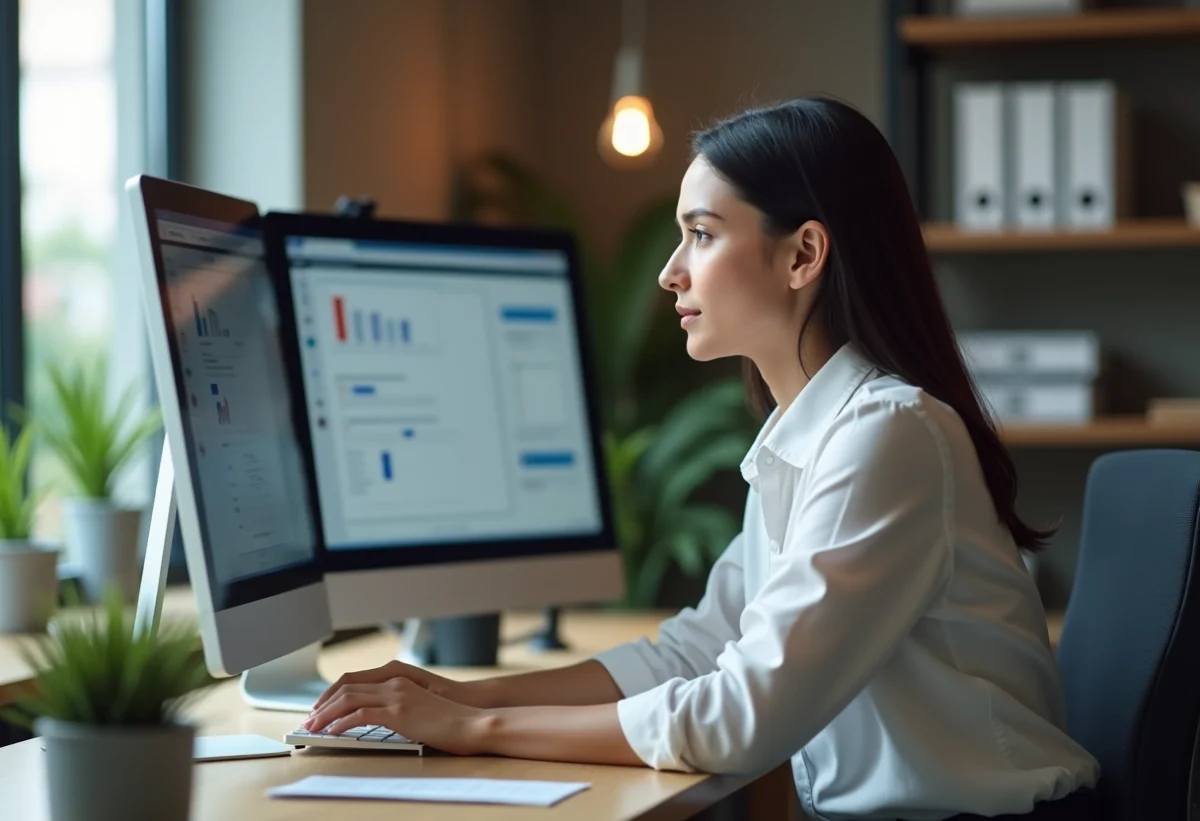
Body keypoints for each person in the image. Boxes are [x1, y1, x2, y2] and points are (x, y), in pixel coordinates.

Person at [304, 98, 1100, 820]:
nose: (668, 271)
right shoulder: (808, 433)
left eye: (702, 234)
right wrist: (457, 693)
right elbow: (697, 648)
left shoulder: (887, 437)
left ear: (803, 256)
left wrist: (478, 727)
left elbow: (740, 717)